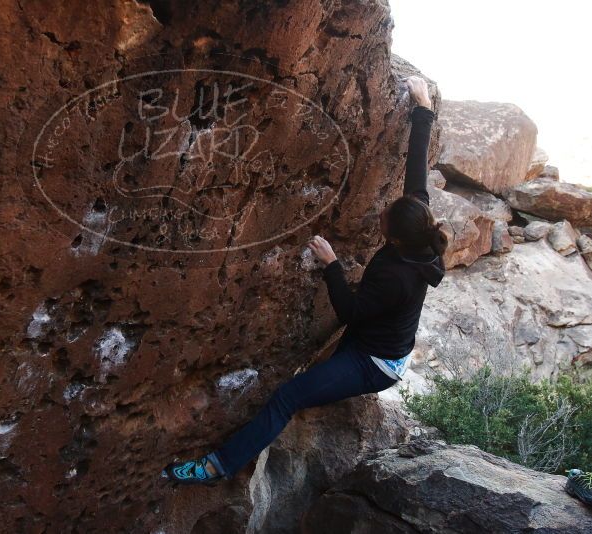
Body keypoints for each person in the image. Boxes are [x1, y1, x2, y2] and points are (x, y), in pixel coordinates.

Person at [161, 76, 448, 485]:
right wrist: (421, 106)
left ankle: (216, 466)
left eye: (384, 220)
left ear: (396, 239)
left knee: (288, 396)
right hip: (378, 337)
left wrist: (331, 264)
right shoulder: (419, 222)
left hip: (375, 362)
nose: (381, 215)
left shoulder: (397, 277)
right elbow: (416, 165)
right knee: (317, 376)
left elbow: (349, 310)